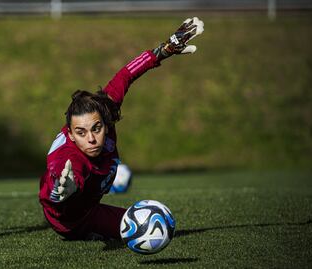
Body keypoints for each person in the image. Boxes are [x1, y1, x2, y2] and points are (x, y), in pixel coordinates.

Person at [39, 17, 204, 240]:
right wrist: (61, 189)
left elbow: (126, 74)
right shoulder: (68, 156)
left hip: (93, 209)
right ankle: (89, 232)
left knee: (161, 225)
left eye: (96, 128)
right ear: (70, 134)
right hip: (70, 221)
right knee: (142, 230)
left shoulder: (104, 109)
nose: (91, 139)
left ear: (104, 121)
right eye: (81, 133)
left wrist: (164, 50)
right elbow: (59, 176)